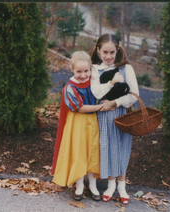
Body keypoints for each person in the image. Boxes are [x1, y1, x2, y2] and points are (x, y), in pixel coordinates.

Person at [90, 34, 139, 205]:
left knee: (122, 147)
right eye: (105, 52)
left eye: (112, 52)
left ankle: (122, 186)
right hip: (103, 116)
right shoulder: (95, 69)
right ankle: (111, 185)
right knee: (108, 147)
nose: (109, 56)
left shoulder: (127, 69)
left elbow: (134, 95)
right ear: (98, 50)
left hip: (122, 114)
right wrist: (111, 83)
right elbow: (96, 93)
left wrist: (115, 102)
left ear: (117, 50)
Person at [51, 51, 105, 201]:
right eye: (79, 71)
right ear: (71, 68)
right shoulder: (70, 87)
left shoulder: (94, 81)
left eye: (86, 71)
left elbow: (103, 94)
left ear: (91, 69)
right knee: (79, 152)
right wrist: (99, 107)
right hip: (78, 123)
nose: (83, 75)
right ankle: (79, 184)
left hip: (93, 122)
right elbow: (79, 108)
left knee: (93, 151)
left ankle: (93, 185)